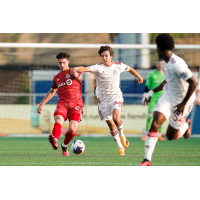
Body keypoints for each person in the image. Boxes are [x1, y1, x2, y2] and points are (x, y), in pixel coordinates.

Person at [71, 45, 143, 155]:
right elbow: (85, 68)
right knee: (111, 125)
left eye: (106, 56)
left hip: (116, 97)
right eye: (102, 56)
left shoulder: (118, 65)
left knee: (116, 118)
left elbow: (130, 69)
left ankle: (122, 134)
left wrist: (139, 77)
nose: (104, 58)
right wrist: (75, 69)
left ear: (111, 56)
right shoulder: (98, 67)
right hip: (103, 101)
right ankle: (120, 147)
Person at [139, 33, 197, 166]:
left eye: (156, 47)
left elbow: (193, 83)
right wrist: (151, 92)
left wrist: (183, 104)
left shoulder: (177, 64)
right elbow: (167, 80)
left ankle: (186, 126)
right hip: (168, 96)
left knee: (171, 136)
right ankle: (147, 160)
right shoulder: (164, 62)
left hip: (183, 101)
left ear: (160, 48)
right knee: (155, 122)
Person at [37, 51, 84, 156]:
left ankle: (64, 145)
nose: (61, 65)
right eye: (59, 63)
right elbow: (52, 92)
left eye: (63, 62)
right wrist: (41, 104)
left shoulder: (73, 71)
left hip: (76, 104)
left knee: (72, 129)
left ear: (68, 62)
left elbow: (80, 76)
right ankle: (55, 140)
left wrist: (77, 74)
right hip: (63, 103)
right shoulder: (57, 77)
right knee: (58, 120)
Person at [141, 59, 166, 141]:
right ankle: (146, 134)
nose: (160, 65)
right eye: (158, 64)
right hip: (153, 98)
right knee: (150, 116)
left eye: (161, 64)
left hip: (162, 97)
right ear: (156, 64)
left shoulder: (166, 74)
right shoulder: (151, 74)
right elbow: (147, 86)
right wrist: (144, 97)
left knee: (161, 117)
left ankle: (159, 135)